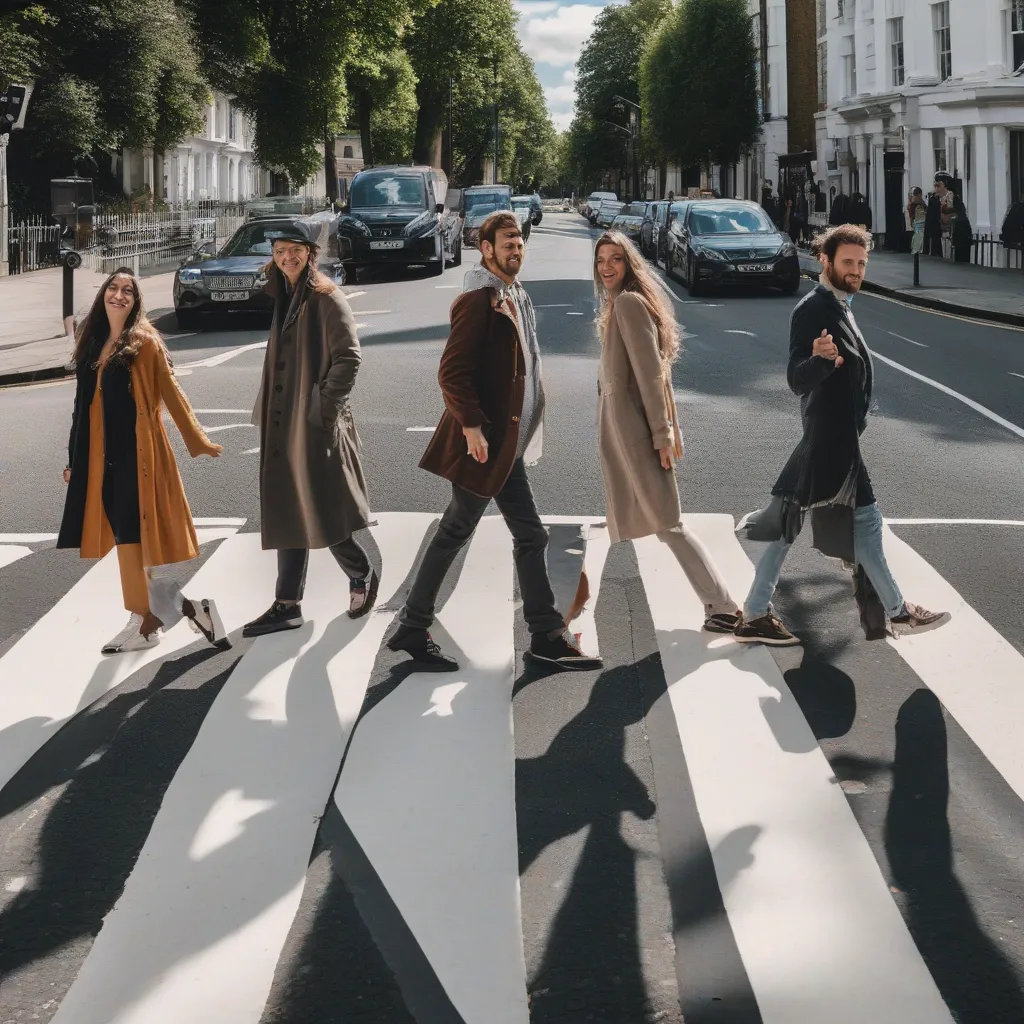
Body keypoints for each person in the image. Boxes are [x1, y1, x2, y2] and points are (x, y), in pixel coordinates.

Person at [387, 211, 601, 672]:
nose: (515, 248)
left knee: (523, 534)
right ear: (486, 248)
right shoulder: (479, 298)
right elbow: (452, 371)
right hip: (485, 442)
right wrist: (471, 425)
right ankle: (419, 623)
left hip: (506, 443)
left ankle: (540, 633)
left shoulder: (513, 293)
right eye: (506, 242)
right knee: (463, 531)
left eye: (519, 241)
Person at [734, 224, 947, 646]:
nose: (855, 270)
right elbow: (797, 380)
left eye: (862, 263)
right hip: (830, 437)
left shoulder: (841, 304)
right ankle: (898, 611)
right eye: (847, 261)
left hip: (832, 435)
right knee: (866, 525)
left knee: (790, 524)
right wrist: (820, 361)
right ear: (825, 261)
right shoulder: (813, 309)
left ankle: (756, 609)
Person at [57, 268, 228, 654]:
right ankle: (188, 610)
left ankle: (143, 623)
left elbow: (172, 392)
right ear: (103, 295)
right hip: (100, 458)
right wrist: (73, 459)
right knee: (124, 539)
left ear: (136, 302)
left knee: (131, 539)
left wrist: (197, 440)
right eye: (113, 288)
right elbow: (80, 409)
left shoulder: (144, 342)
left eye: (128, 292)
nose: (119, 295)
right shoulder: (92, 340)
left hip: (137, 456)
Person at [593, 232, 741, 632]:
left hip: (636, 432)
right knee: (664, 522)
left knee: (668, 522)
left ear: (629, 265)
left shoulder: (627, 303)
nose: (607, 267)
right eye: (601, 259)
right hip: (628, 430)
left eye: (616, 260)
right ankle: (721, 605)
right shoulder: (621, 304)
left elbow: (651, 376)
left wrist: (662, 434)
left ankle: (723, 605)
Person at [243, 220, 377, 637]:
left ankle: (361, 574)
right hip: (282, 419)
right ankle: (287, 603)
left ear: (310, 253)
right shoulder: (283, 291)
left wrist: (324, 409)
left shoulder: (326, 296)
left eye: (295, 250)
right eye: (281, 250)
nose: (288, 257)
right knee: (287, 505)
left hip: (314, 420)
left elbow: (349, 357)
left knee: (318, 505)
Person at [907, 187, 927, 254]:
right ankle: (916, 250)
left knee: (918, 237)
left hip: (917, 224)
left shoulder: (915, 204)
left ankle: (916, 250)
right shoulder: (915, 204)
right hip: (919, 224)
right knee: (918, 237)